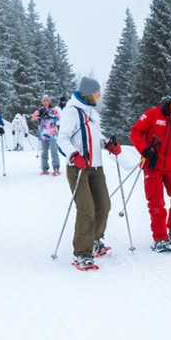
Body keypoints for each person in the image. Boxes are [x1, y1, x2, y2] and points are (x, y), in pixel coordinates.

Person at [57, 76, 121, 270]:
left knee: (104, 205)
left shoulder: (93, 113)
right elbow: (62, 139)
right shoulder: (72, 112)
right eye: (97, 92)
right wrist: (74, 155)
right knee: (86, 210)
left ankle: (94, 240)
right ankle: (82, 254)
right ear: (88, 93)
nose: (99, 94)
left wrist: (107, 145)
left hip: (96, 167)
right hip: (78, 168)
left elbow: (95, 138)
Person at [130, 93, 171, 253]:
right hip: (152, 166)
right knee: (156, 203)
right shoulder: (152, 114)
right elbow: (136, 132)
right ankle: (160, 238)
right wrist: (144, 149)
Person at [32, 94, 61, 175]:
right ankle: (44, 168)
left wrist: (49, 114)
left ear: (49, 102)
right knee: (44, 152)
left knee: (54, 151)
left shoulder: (53, 110)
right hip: (43, 134)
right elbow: (34, 117)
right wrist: (39, 115)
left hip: (52, 133)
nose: (45, 102)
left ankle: (56, 167)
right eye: (44, 101)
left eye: (47, 101)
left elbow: (58, 117)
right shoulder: (39, 110)